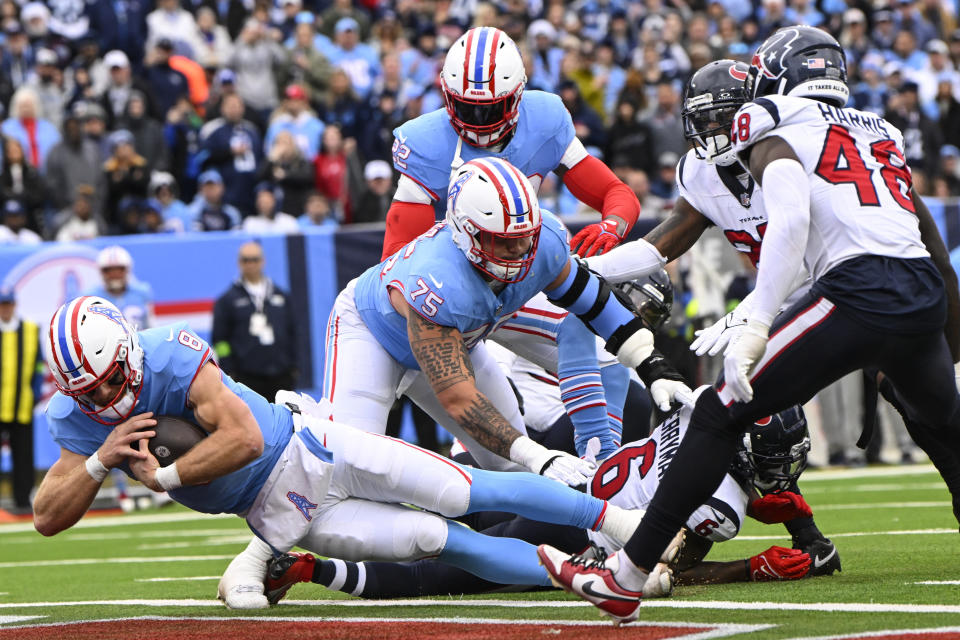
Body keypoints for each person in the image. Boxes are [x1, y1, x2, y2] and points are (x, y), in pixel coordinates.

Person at [539, 26, 960, 624]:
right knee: (942, 419)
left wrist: (755, 318)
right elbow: (934, 248)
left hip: (853, 287)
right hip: (916, 289)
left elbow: (788, 224)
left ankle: (626, 576)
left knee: (717, 411)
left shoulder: (771, 117)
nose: (720, 129)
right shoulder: (877, 127)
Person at [35, 296, 652, 614]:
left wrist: (164, 475)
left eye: (111, 382)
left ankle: (621, 525)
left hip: (313, 448)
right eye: (88, 392)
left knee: (471, 492)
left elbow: (244, 439)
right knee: (441, 542)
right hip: (282, 513)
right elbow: (46, 515)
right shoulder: (80, 414)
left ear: (129, 355)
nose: (104, 399)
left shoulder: (170, 353)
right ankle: (581, 579)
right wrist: (95, 462)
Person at [267, 400, 833, 601]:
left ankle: (321, 460)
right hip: (574, 538)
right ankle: (312, 567)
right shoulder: (725, 507)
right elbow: (669, 570)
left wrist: (801, 526)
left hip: (567, 486)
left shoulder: (702, 409)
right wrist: (748, 570)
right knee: (444, 566)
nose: (786, 472)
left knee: (439, 496)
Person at [381, 27, 641, 260]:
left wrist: (611, 226)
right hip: (454, 272)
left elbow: (615, 193)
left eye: (491, 109)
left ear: (518, 94)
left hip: (526, 263)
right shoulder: (426, 141)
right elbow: (396, 257)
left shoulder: (543, 118)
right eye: (467, 108)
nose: (478, 122)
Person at [212, 242, 298, 403]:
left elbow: (293, 332)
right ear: (239, 263)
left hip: (282, 375)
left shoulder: (281, 295)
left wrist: (294, 366)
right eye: (246, 260)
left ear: (263, 261)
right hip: (246, 378)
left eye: (255, 259)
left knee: (284, 424)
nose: (250, 264)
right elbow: (220, 340)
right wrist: (229, 370)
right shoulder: (227, 300)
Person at [0, 288, 43, 513]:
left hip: (22, 404)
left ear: (14, 305)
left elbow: (38, 364)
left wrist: (34, 392)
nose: (5, 309)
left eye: (8, 304)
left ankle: (23, 501)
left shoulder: (30, 330)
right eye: (2, 304)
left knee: (24, 455)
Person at [86, 245, 154, 331]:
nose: (114, 275)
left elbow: (149, 325)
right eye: (109, 271)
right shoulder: (91, 297)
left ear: (127, 270)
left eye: (119, 270)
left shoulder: (141, 292)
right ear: (101, 272)